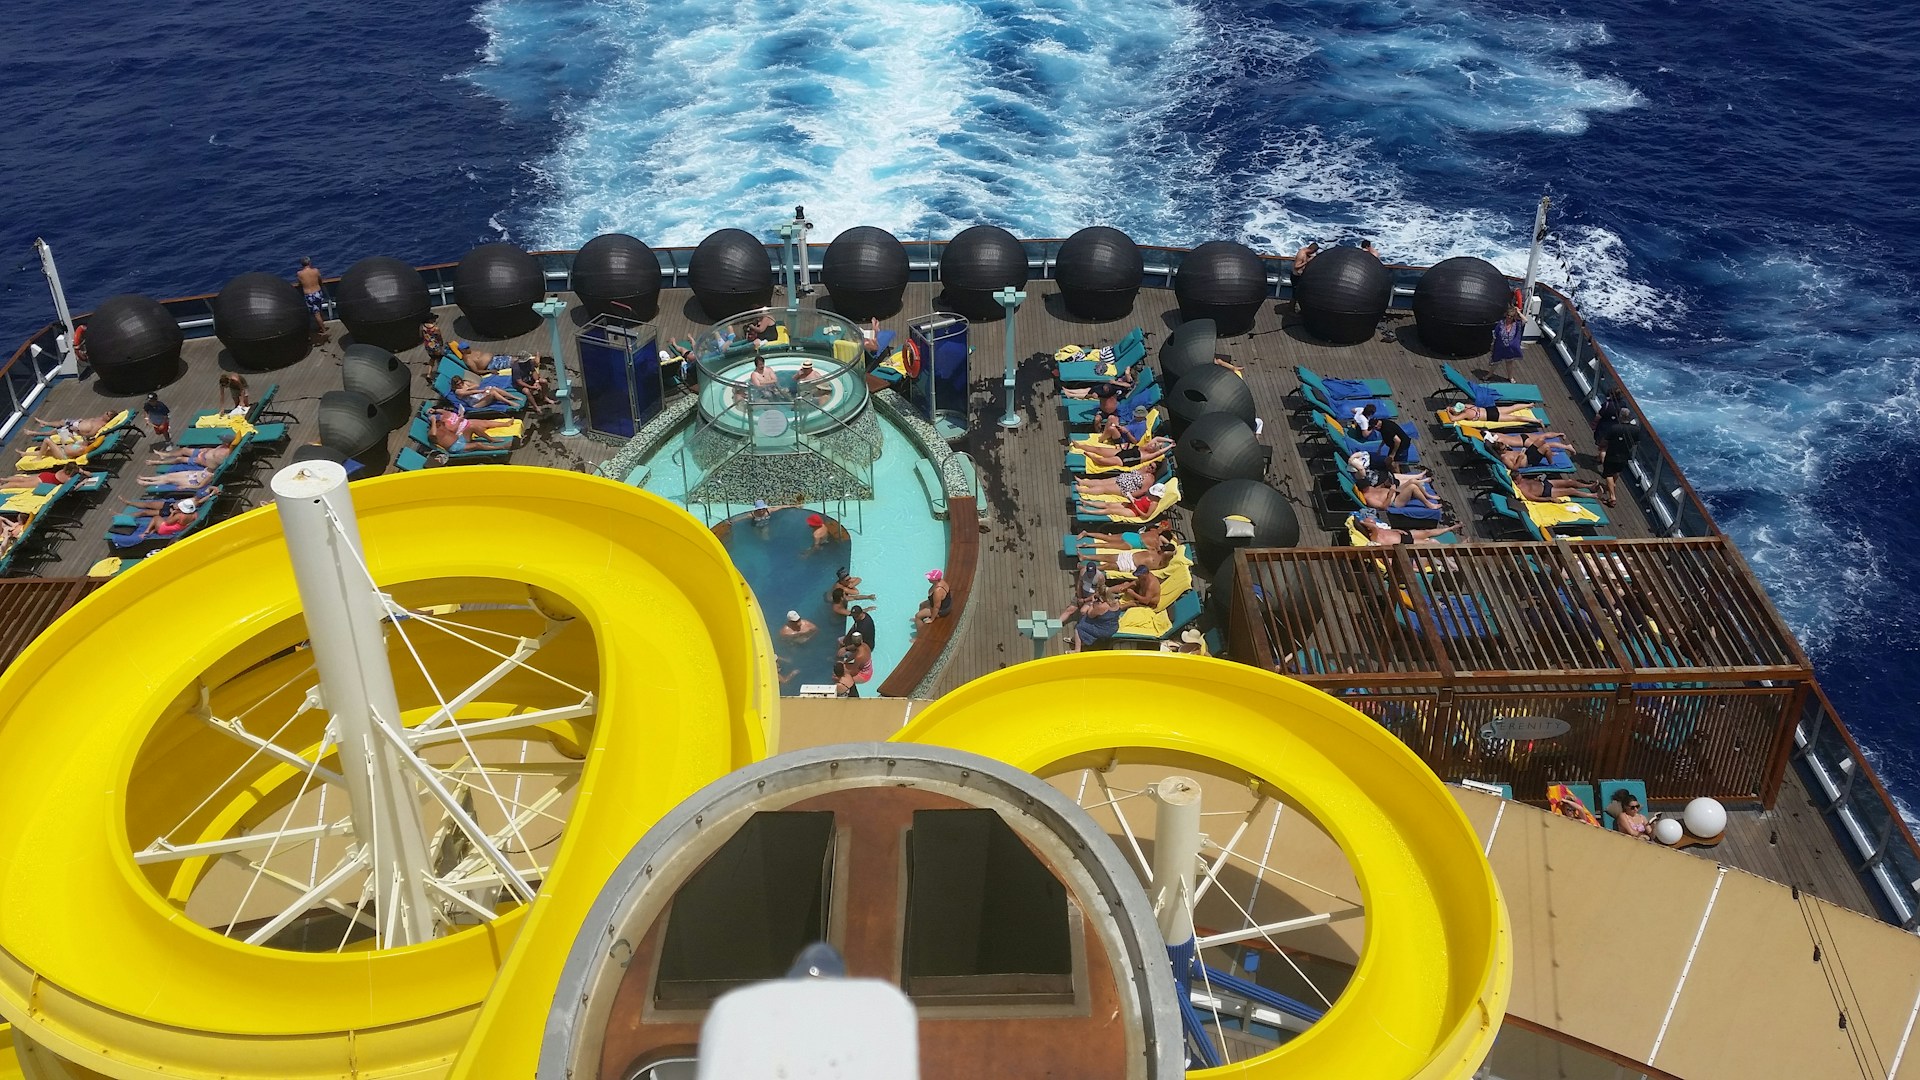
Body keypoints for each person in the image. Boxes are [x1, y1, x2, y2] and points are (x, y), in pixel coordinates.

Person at [1347, 451, 1442, 511]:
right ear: (1363, 489)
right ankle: (1429, 504)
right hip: (1395, 501)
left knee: (1413, 480)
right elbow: (1383, 507)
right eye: (1368, 486)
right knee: (1412, 487)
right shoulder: (1368, 498)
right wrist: (1390, 493)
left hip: (1395, 491)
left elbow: (1378, 488)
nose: (1370, 487)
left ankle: (1428, 495)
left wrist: (1385, 484)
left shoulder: (1369, 488)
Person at [1596, 412, 1642, 508]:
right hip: (1624, 455)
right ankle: (1611, 486)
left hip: (1612, 454)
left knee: (1608, 474)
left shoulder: (1615, 428)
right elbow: (1636, 442)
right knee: (1616, 472)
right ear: (1629, 418)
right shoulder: (1636, 430)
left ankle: (1612, 497)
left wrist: (1601, 446)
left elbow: (1605, 440)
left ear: (1620, 417)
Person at [1061, 585, 1120, 653]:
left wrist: (1092, 603)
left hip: (1104, 630)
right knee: (1086, 621)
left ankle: (1077, 649)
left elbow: (1090, 614)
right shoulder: (1116, 603)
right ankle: (1078, 640)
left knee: (1079, 627)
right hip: (1113, 626)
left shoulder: (1103, 606)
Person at [427, 408, 516, 453]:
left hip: (459, 438)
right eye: (438, 421)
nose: (441, 421)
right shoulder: (432, 432)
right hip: (455, 447)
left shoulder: (442, 424)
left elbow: (444, 413)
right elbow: (434, 434)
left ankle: (491, 439)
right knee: (478, 444)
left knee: (472, 427)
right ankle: (501, 448)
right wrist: (434, 421)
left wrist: (434, 410)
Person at [1347, 404, 1411, 465]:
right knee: (1389, 461)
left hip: (1402, 445)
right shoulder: (1372, 422)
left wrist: (1392, 454)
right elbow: (1366, 435)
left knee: (1395, 462)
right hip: (1392, 444)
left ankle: (1398, 471)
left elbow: (1398, 441)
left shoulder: (1387, 429)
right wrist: (1380, 448)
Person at [1070, 434, 1174, 471]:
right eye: (1153, 444)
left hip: (1123, 460)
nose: (1152, 444)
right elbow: (1156, 438)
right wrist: (1169, 440)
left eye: (1154, 446)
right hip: (1122, 452)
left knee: (1101, 460)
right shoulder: (1146, 447)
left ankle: (1091, 456)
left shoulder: (1149, 455)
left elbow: (1159, 452)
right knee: (1099, 450)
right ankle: (1079, 445)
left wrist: (1169, 446)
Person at [1351, 512, 1460, 546]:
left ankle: (1450, 528)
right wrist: (1362, 522)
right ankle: (1453, 548)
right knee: (1432, 541)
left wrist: (1396, 530)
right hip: (1405, 542)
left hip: (1404, 534)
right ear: (1369, 527)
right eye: (1371, 522)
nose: (1374, 522)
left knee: (1427, 532)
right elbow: (1374, 528)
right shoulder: (1374, 536)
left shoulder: (1378, 530)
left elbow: (1386, 530)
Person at [1073, 460, 1163, 501]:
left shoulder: (1150, 479)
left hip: (1125, 488)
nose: (1149, 467)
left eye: (1152, 467)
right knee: (1101, 481)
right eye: (1150, 464)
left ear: (1154, 471)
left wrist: (1129, 495)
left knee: (1104, 488)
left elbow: (1142, 491)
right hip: (1121, 479)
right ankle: (1083, 482)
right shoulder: (1144, 467)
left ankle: (1083, 490)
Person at [1510, 470, 1605, 502]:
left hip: (1544, 483)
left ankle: (1589, 486)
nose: (1521, 477)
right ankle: (1594, 496)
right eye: (1519, 477)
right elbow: (1533, 498)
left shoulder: (1522, 480)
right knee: (1571, 490)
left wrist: (1537, 479)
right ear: (1515, 481)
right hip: (1546, 492)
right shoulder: (1521, 489)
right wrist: (1549, 499)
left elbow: (1531, 483)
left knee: (1569, 481)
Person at [296, 257, 329, 343]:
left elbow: (300, 283)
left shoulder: (300, 273)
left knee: (316, 313)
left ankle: (323, 330)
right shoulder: (315, 271)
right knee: (319, 309)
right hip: (318, 292)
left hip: (309, 294)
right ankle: (322, 326)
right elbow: (320, 280)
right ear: (309, 263)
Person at [25, 412, 119, 438]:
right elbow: (89, 421)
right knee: (62, 421)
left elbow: (90, 434)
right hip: (77, 423)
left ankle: (34, 433)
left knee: (54, 432)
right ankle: (45, 423)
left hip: (76, 432)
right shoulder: (99, 418)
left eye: (107, 414)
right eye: (106, 412)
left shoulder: (100, 425)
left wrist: (77, 430)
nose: (104, 413)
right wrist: (81, 420)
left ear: (109, 418)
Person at [448, 376, 521, 410]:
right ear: (455, 385)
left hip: (480, 397)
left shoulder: (465, 384)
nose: (460, 385)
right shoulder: (458, 391)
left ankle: (513, 397)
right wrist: (482, 391)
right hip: (476, 403)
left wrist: (468, 387)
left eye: (461, 382)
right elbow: (471, 393)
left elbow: (477, 385)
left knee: (493, 388)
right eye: (458, 384)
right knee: (493, 393)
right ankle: (510, 403)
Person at [147, 444, 235, 470]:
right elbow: (214, 449)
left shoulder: (223, 457)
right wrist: (205, 449)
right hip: (204, 453)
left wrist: (201, 461)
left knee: (180, 459)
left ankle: (158, 462)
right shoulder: (226, 447)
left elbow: (212, 466)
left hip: (201, 460)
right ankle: (165, 455)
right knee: (184, 449)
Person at [0, 463, 82, 489]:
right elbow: (72, 487)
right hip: (44, 481)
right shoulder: (68, 478)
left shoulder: (62, 470)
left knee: (23, 478)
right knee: (18, 485)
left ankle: (3, 479)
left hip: (45, 475)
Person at [136, 467, 215, 491]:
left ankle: (147, 483)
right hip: (192, 475)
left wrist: (186, 487)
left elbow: (199, 486)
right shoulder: (211, 467)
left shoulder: (210, 476)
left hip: (192, 482)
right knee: (169, 475)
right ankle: (147, 478)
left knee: (169, 480)